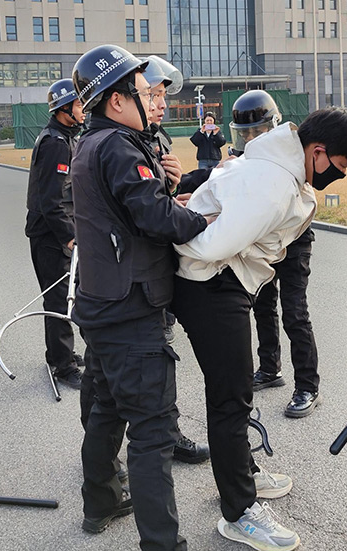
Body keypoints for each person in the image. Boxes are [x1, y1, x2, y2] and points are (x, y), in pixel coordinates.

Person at [172, 107, 347, 551]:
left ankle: (241, 474)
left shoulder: (275, 164)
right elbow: (213, 245)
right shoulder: (274, 183)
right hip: (211, 281)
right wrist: (189, 230)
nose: (340, 176)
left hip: (221, 279)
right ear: (317, 151)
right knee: (230, 397)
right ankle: (239, 512)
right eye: (340, 166)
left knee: (236, 392)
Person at [70, 45, 212, 551]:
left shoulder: (92, 143)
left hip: (102, 303)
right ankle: (161, 543)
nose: (152, 99)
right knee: (152, 432)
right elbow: (155, 218)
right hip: (130, 309)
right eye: (142, 91)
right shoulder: (119, 146)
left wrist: (168, 192)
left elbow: (130, 211)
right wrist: (201, 218)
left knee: (108, 410)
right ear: (116, 100)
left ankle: (101, 502)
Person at [228, 91, 323, 419]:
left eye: (257, 131)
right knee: (262, 306)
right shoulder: (244, 157)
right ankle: (270, 368)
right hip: (262, 240)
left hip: (294, 239)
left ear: (273, 126)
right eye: (245, 133)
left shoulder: (291, 153)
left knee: (295, 312)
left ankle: (308, 386)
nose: (251, 138)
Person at [139, 55, 211, 465]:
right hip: (133, 278)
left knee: (148, 366)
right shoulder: (121, 143)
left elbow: (158, 200)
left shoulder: (155, 138)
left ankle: (163, 437)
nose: (162, 104)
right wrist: (191, 217)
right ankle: (152, 446)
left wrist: (174, 186)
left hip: (154, 269)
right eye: (154, 95)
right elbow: (145, 213)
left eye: (163, 96)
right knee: (142, 368)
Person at [25, 78, 86, 389]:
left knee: (64, 297)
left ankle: (60, 353)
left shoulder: (65, 137)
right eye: (78, 104)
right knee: (59, 300)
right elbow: (52, 200)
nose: (84, 109)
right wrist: (69, 236)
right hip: (51, 235)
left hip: (57, 230)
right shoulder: (56, 144)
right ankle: (63, 365)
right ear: (64, 109)